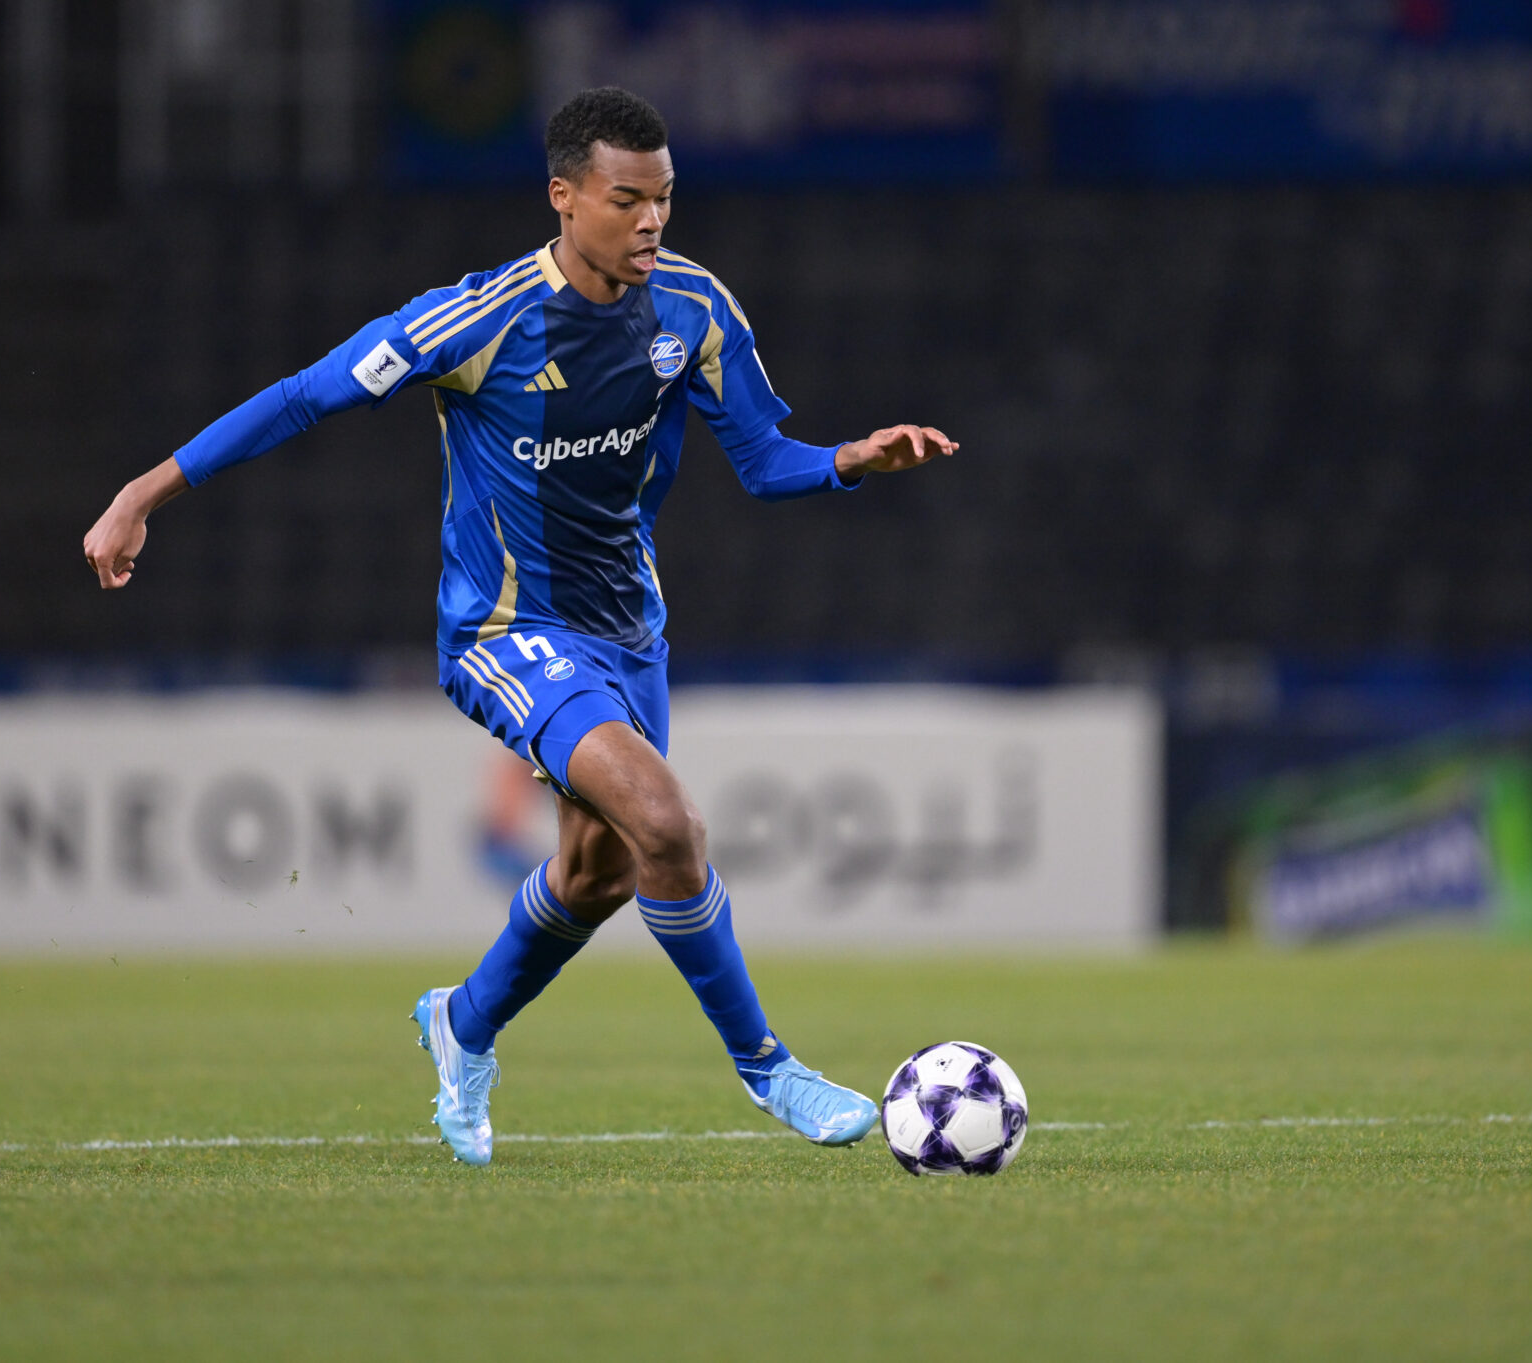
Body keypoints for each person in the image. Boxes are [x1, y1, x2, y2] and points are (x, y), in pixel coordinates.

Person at [84, 87, 957, 1162]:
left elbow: (765, 461)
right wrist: (141, 494)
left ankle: (462, 1022)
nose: (651, 221)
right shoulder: (476, 321)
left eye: (664, 198)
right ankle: (769, 1068)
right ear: (563, 197)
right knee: (668, 825)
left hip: (629, 630)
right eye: (626, 200)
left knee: (598, 872)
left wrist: (849, 461)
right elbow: (307, 395)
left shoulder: (695, 307)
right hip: (505, 633)